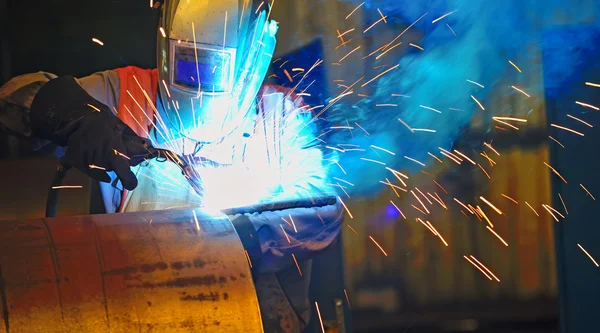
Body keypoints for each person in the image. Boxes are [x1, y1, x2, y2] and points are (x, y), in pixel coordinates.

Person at [0, 0, 343, 332]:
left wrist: (242, 238)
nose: (197, 85)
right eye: (188, 65)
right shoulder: (127, 94)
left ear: (253, 55)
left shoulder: (282, 117)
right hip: (135, 315)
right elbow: (12, 97)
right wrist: (72, 115)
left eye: (212, 68)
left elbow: (323, 210)